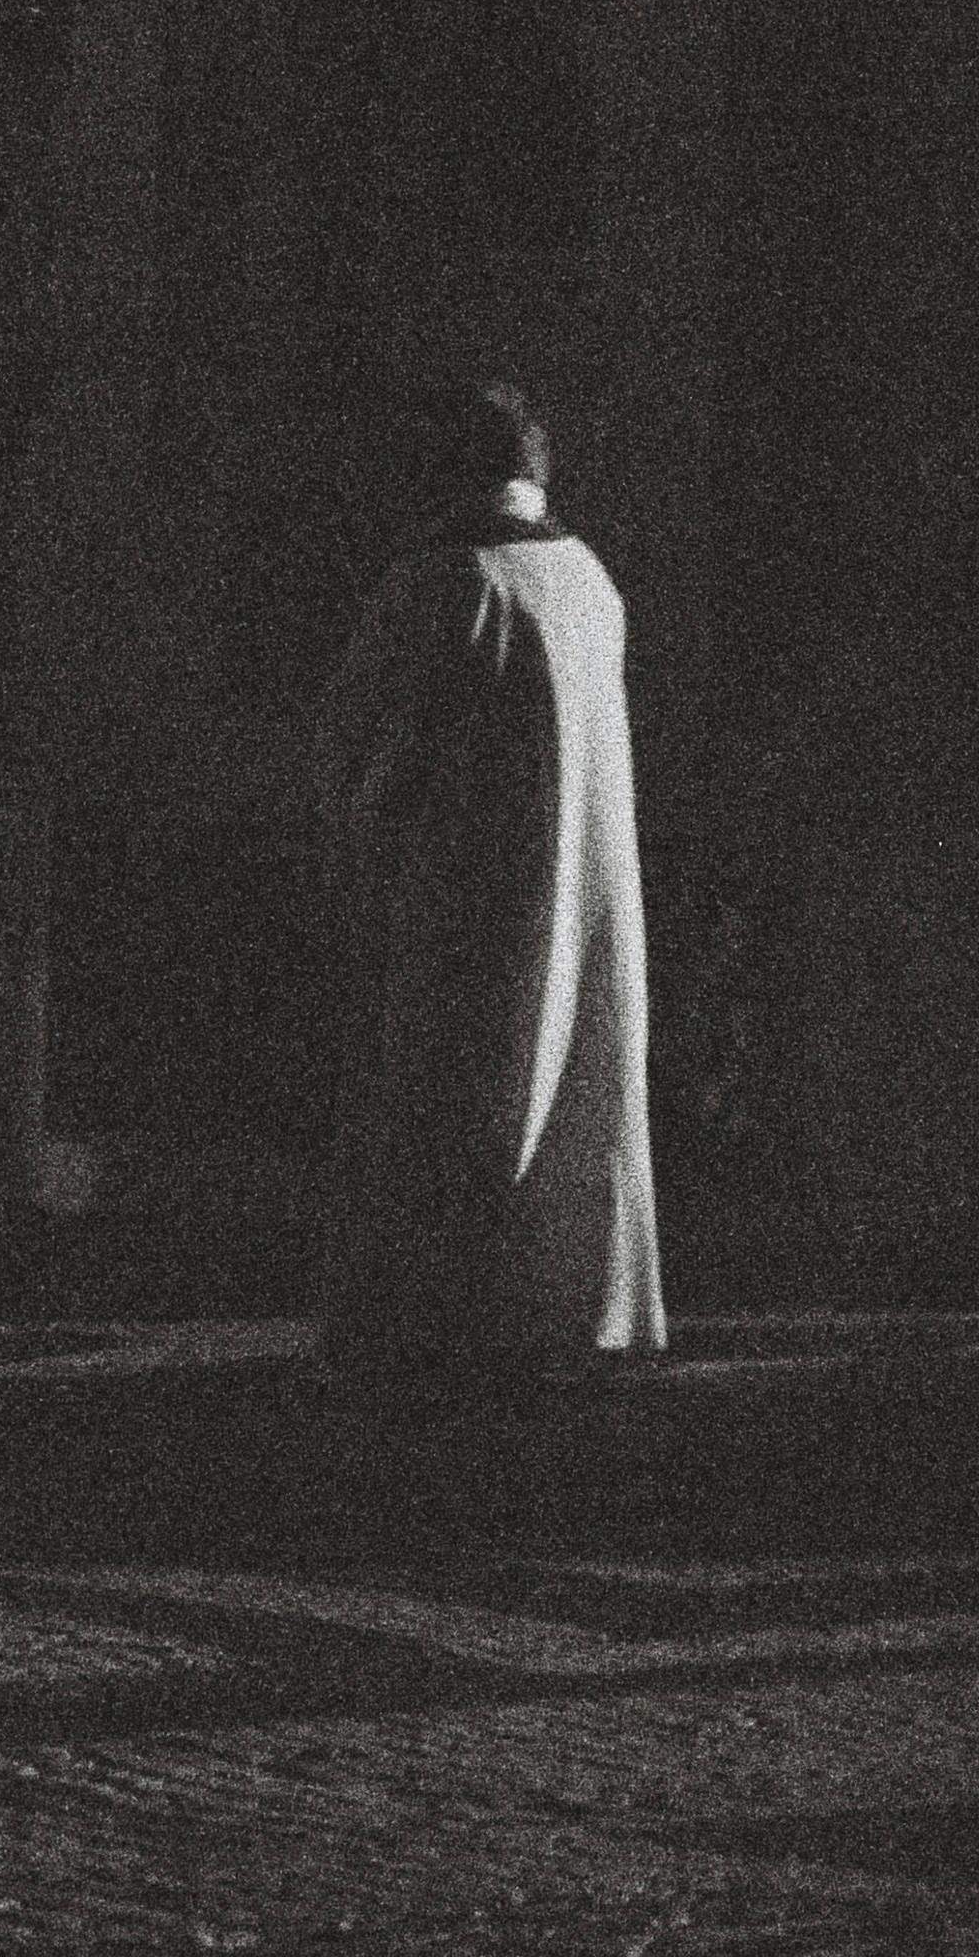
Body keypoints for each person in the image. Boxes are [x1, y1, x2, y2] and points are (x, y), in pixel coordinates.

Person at [316, 373, 667, 1373]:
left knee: (449, 1087)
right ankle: (571, 1297)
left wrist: (355, 842)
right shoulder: (593, 578)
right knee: (572, 1072)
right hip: (585, 889)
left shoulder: (444, 578)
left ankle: (439, 1315)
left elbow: (353, 732)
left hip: (459, 891)